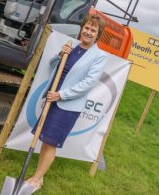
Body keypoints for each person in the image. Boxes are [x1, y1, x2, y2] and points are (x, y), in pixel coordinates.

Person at [25, 14, 108, 192]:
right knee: (45, 140)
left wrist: (61, 95)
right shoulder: (73, 47)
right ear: (81, 28)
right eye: (86, 27)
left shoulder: (99, 56)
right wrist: (60, 54)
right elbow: (53, 66)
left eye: (93, 30)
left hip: (66, 105)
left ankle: (37, 178)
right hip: (53, 97)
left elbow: (87, 84)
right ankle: (39, 177)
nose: (88, 32)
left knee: (51, 142)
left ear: (97, 34)